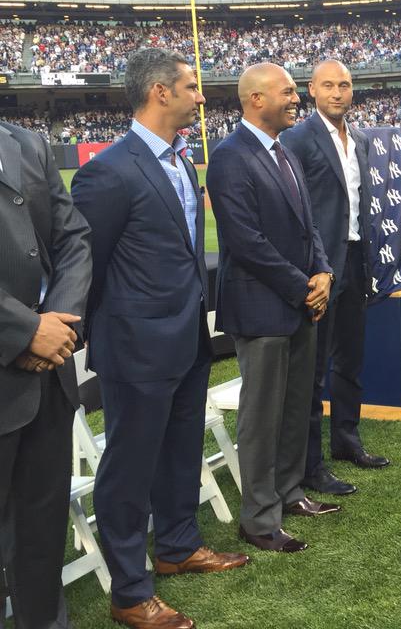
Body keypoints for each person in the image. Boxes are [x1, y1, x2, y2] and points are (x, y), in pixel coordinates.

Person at [72, 48, 248, 629]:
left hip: (188, 336)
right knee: (128, 469)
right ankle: (129, 592)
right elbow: (84, 266)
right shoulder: (110, 169)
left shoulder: (182, 161)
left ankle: (176, 547)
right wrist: (115, 330)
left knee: (179, 451)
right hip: (136, 347)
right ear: (159, 92)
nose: (202, 96)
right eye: (192, 87)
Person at [207, 63, 338, 555]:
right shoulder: (228, 157)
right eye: (286, 92)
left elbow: (311, 227)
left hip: (300, 304)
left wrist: (323, 272)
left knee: (293, 408)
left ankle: (288, 493)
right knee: (261, 417)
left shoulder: (284, 152)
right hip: (264, 308)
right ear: (255, 99)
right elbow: (245, 241)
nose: (294, 99)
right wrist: (303, 285)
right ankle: (259, 518)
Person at [280, 59, 388, 498]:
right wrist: (313, 266)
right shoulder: (297, 138)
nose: (338, 92)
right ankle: (311, 464)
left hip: (357, 259)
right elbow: (295, 210)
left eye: (344, 84)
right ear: (312, 90)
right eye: (329, 85)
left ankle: (347, 440)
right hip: (320, 268)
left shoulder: (359, 140)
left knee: (351, 361)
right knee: (313, 370)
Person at [0, 120, 90, 629]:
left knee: (41, 531)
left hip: (47, 373)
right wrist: (24, 331)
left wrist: (58, 323)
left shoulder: (25, 141)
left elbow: (73, 237)